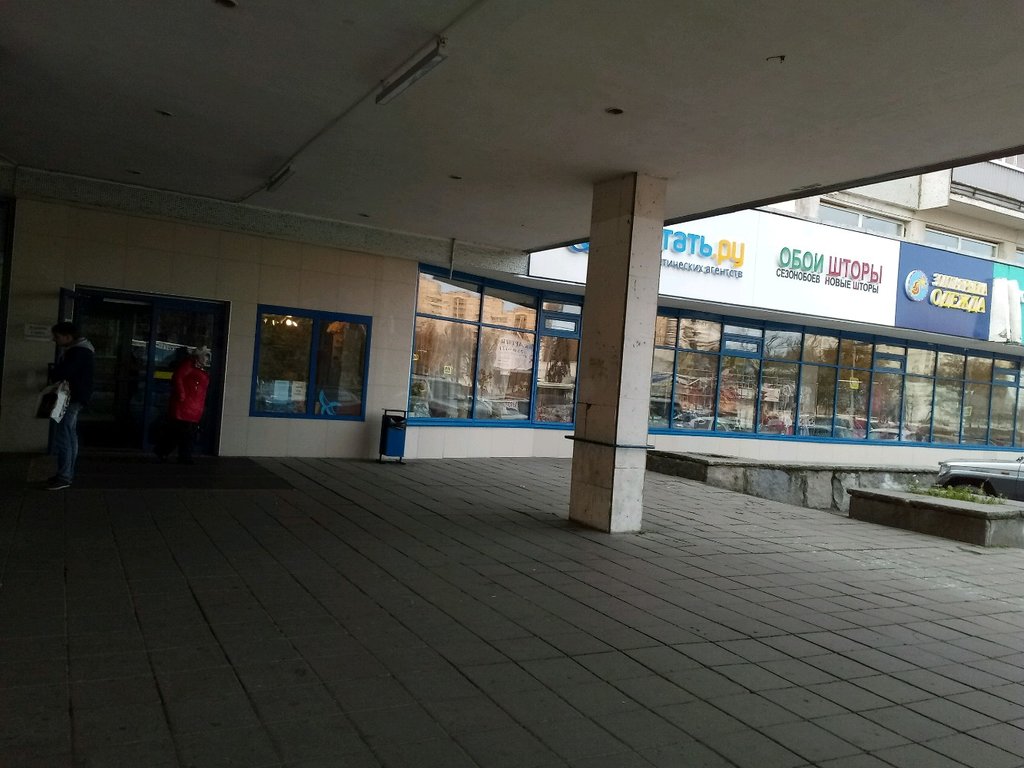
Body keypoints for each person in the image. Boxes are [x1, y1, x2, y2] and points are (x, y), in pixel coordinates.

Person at [48, 322, 95, 490]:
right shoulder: (83, 350)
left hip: (70, 397)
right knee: (69, 435)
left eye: (57, 336)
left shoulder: (77, 352)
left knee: (64, 436)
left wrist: (54, 373)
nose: (54, 339)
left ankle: (64, 476)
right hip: (76, 397)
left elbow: (63, 372)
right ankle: (66, 474)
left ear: (68, 337)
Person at [155, 346, 211, 464]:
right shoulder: (189, 365)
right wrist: (182, 395)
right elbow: (178, 377)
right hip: (186, 406)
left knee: (183, 432)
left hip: (194, 406)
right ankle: (178, 455)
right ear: (199, 357)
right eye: (206, 356)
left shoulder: (199, 369)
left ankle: (168, 452)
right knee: (182, 432)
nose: (207, 359)